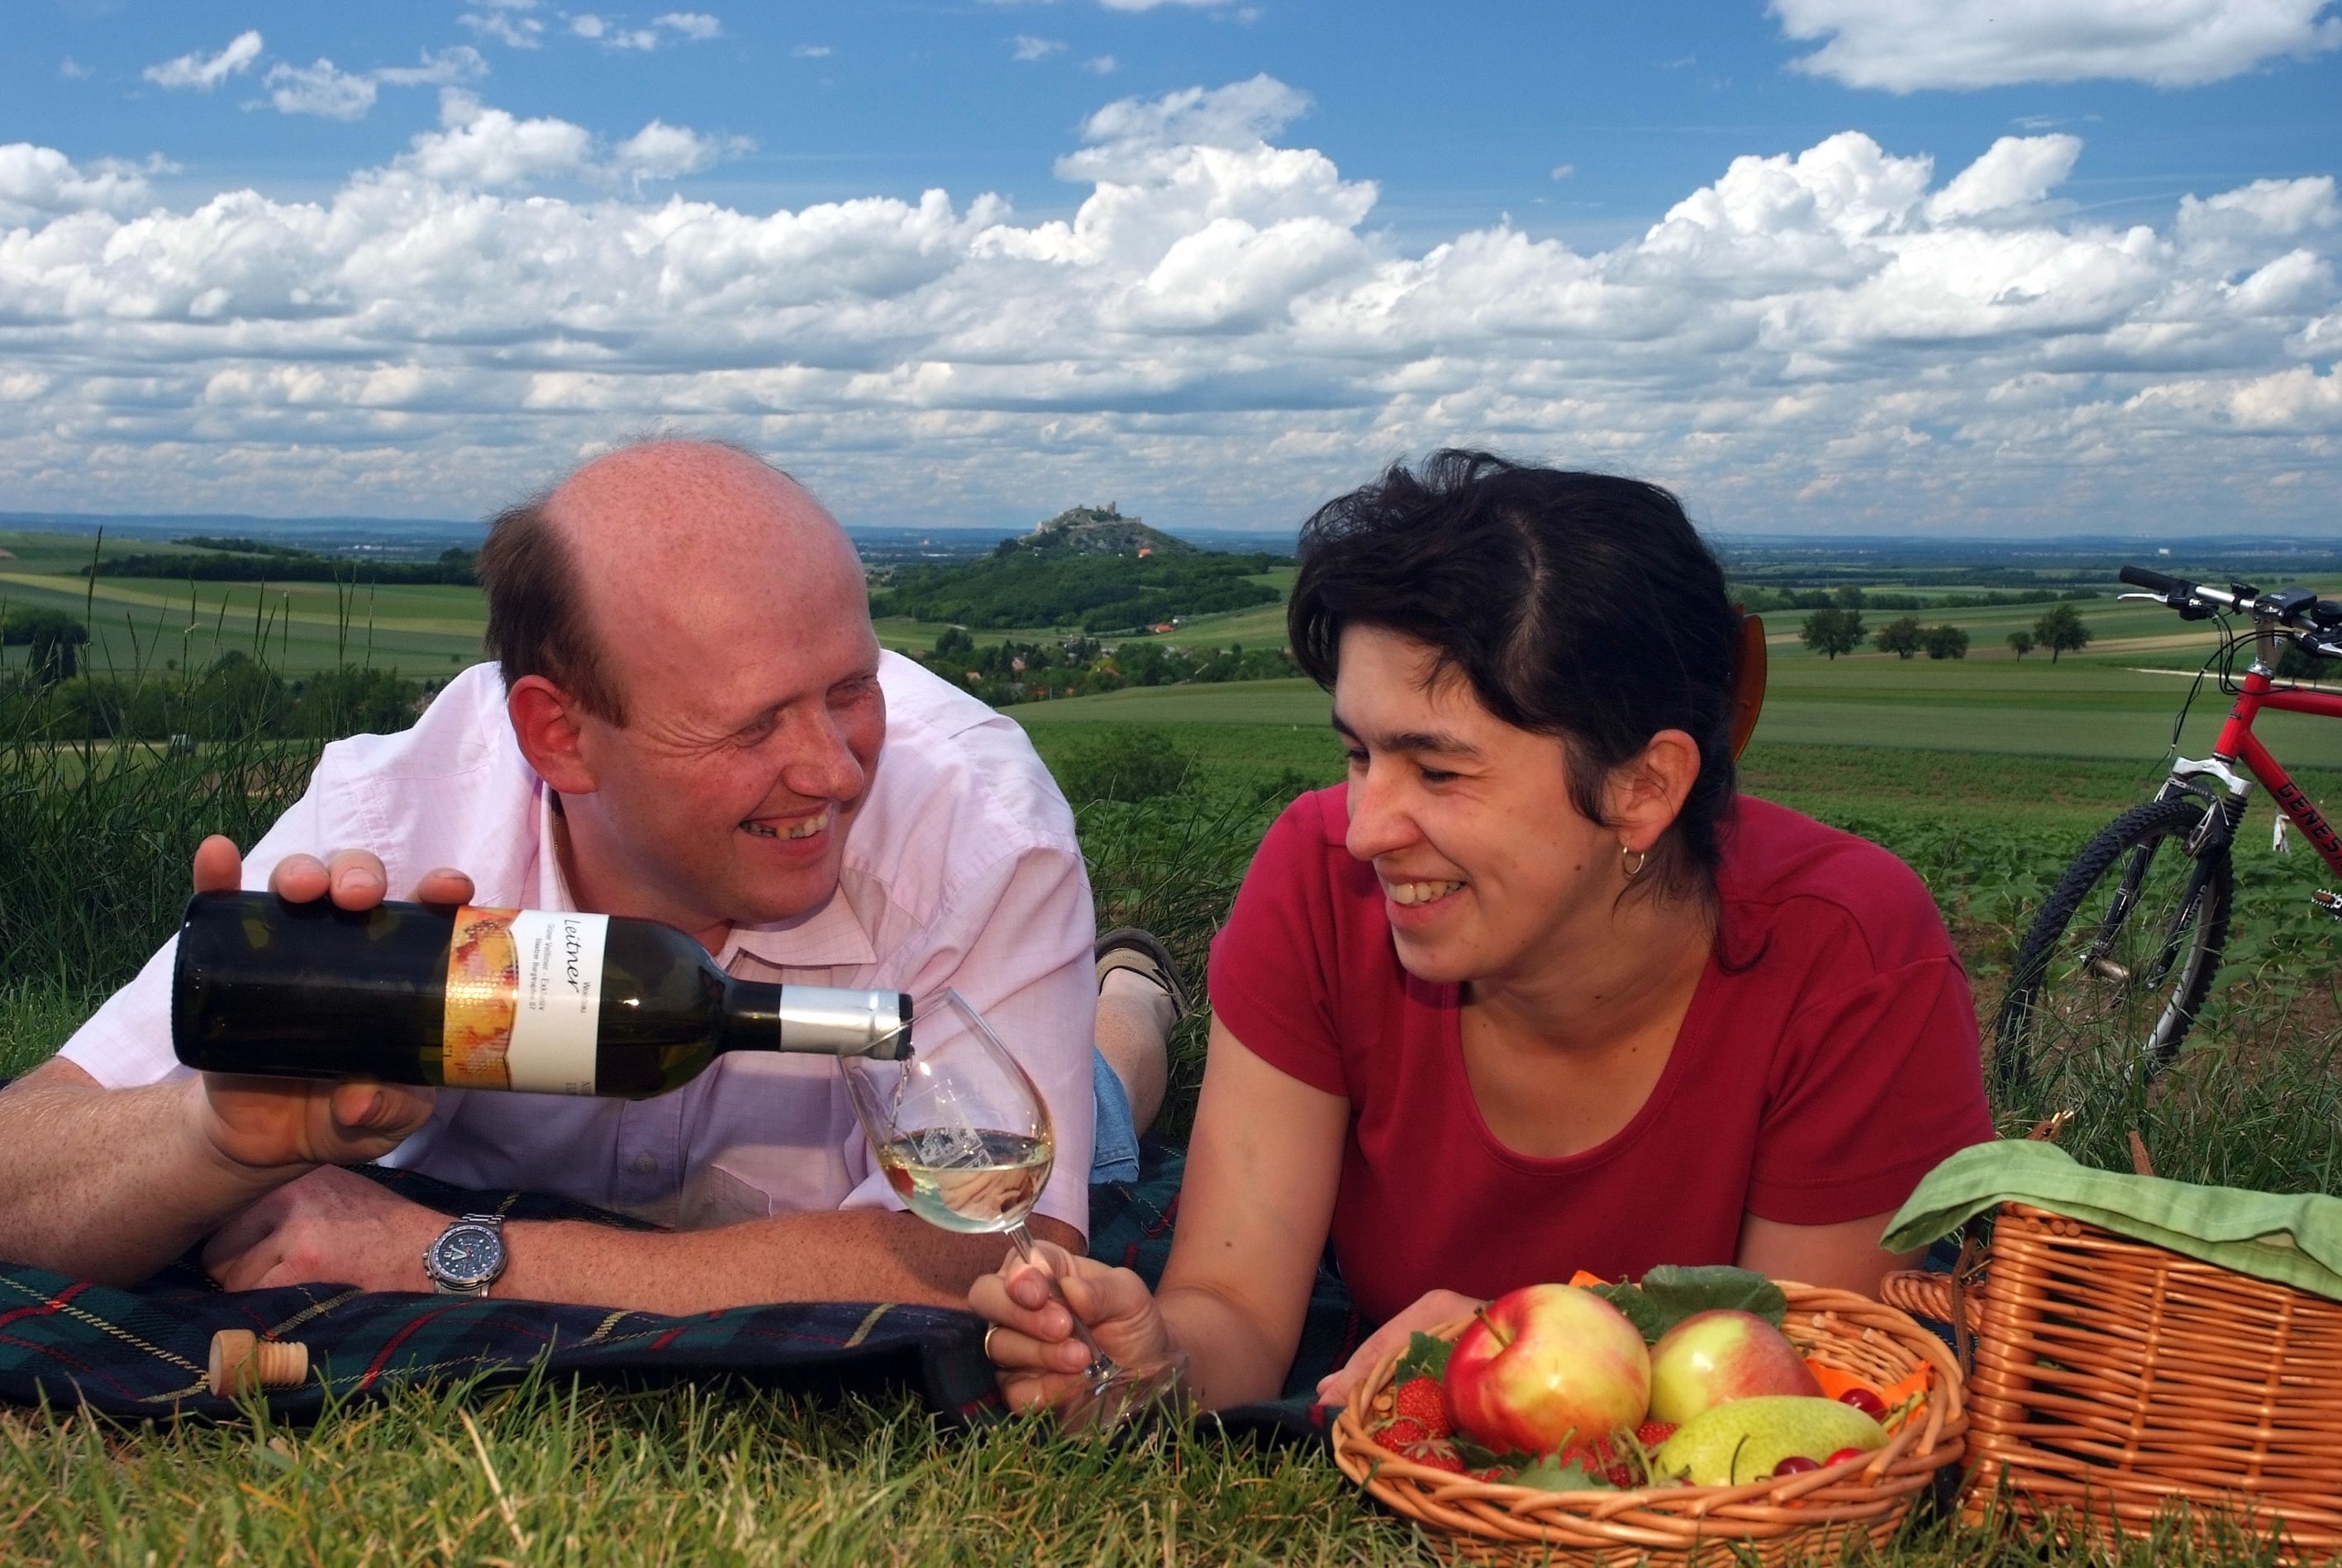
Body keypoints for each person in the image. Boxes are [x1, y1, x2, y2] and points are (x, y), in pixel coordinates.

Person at [0, 439, 1177, 1314]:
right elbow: (26, 1158)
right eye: (752, 724)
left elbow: (1005, 1248)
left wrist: (446, 1254)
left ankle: (1134, 998)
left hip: (942, 1120)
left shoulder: (979, 826)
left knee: (1102, 1109)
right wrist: (213, 1137)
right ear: (556, 735)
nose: (831, 770)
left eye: (850, 687)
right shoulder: (395, 821)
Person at [972, 451, 1997, 1414]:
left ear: (1644, 787)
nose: (1367, 826)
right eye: (1358, 753)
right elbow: (1236, 1313)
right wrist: (1154, 1363)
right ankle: (1132, 1000)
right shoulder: (1318, 877)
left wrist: (1536, 1340)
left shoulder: (1850, 954)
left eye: (1439, 770)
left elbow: (1797, 1397)